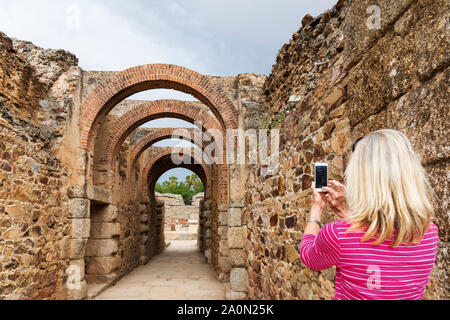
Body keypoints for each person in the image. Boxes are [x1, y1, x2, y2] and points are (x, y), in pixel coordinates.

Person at [300, 129, 439, 300]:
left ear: (361, 177)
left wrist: (317, 208)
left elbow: (308, 256)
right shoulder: (430, 233)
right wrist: (347, 214)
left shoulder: (338, 235)